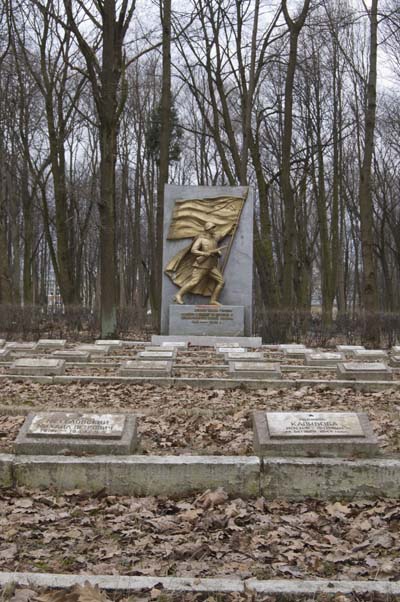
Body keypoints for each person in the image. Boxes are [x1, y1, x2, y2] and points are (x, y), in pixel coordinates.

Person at [173, 222, 226, 305]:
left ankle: (213, 300)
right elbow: (193, 250)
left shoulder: (214, 240)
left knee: (221, 282)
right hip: (202, 266)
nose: (214, 229)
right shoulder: (201, 239)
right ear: (208, 230)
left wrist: (217, 253)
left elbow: (215, 250)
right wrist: (204, 253)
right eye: (212, 228)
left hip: (211, 266)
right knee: (194, 282)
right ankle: (178, 295)